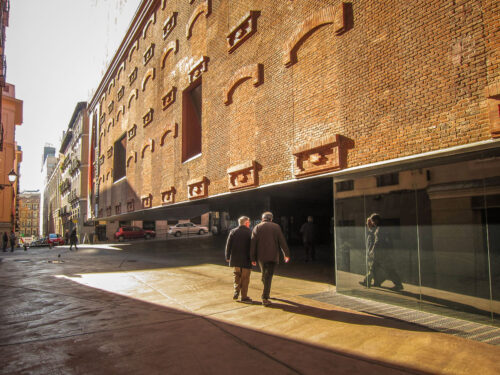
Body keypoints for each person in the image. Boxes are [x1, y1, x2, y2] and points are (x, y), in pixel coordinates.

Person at [250, 212, 290, 306]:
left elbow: (253, 243)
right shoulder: (276, 227)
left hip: (261, 257)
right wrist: (286, 254)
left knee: (265, 275)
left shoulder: (257, 227)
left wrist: (252, 257)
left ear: (262, 218)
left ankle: (266, 292)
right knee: (268, 276)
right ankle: (265, 297)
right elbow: (282, 241)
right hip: (272, 256)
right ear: (271, 219)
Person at [360, 213, 403, 291]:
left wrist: (372, 250)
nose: (372, 223)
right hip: (383, 252)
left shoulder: (379, 229)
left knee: (387, 268)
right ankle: (368, 281)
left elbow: (377, 241)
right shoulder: (382, 228)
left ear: (376, 220)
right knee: (375, 267)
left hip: (380, 252)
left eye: (373, 221)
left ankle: (398, 284)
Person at [225, 216, 253, 302]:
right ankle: (244, 296)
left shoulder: (233, 231)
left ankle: (236, 291)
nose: (250, 223)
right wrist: (254, 258)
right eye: (249, 222)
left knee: (236, 275)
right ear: (246, 223)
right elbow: (253, 247)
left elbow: (228, 245)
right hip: (246, 259)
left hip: (235, 259)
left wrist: (227, 256)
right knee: (245, 278)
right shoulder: (250, 232)